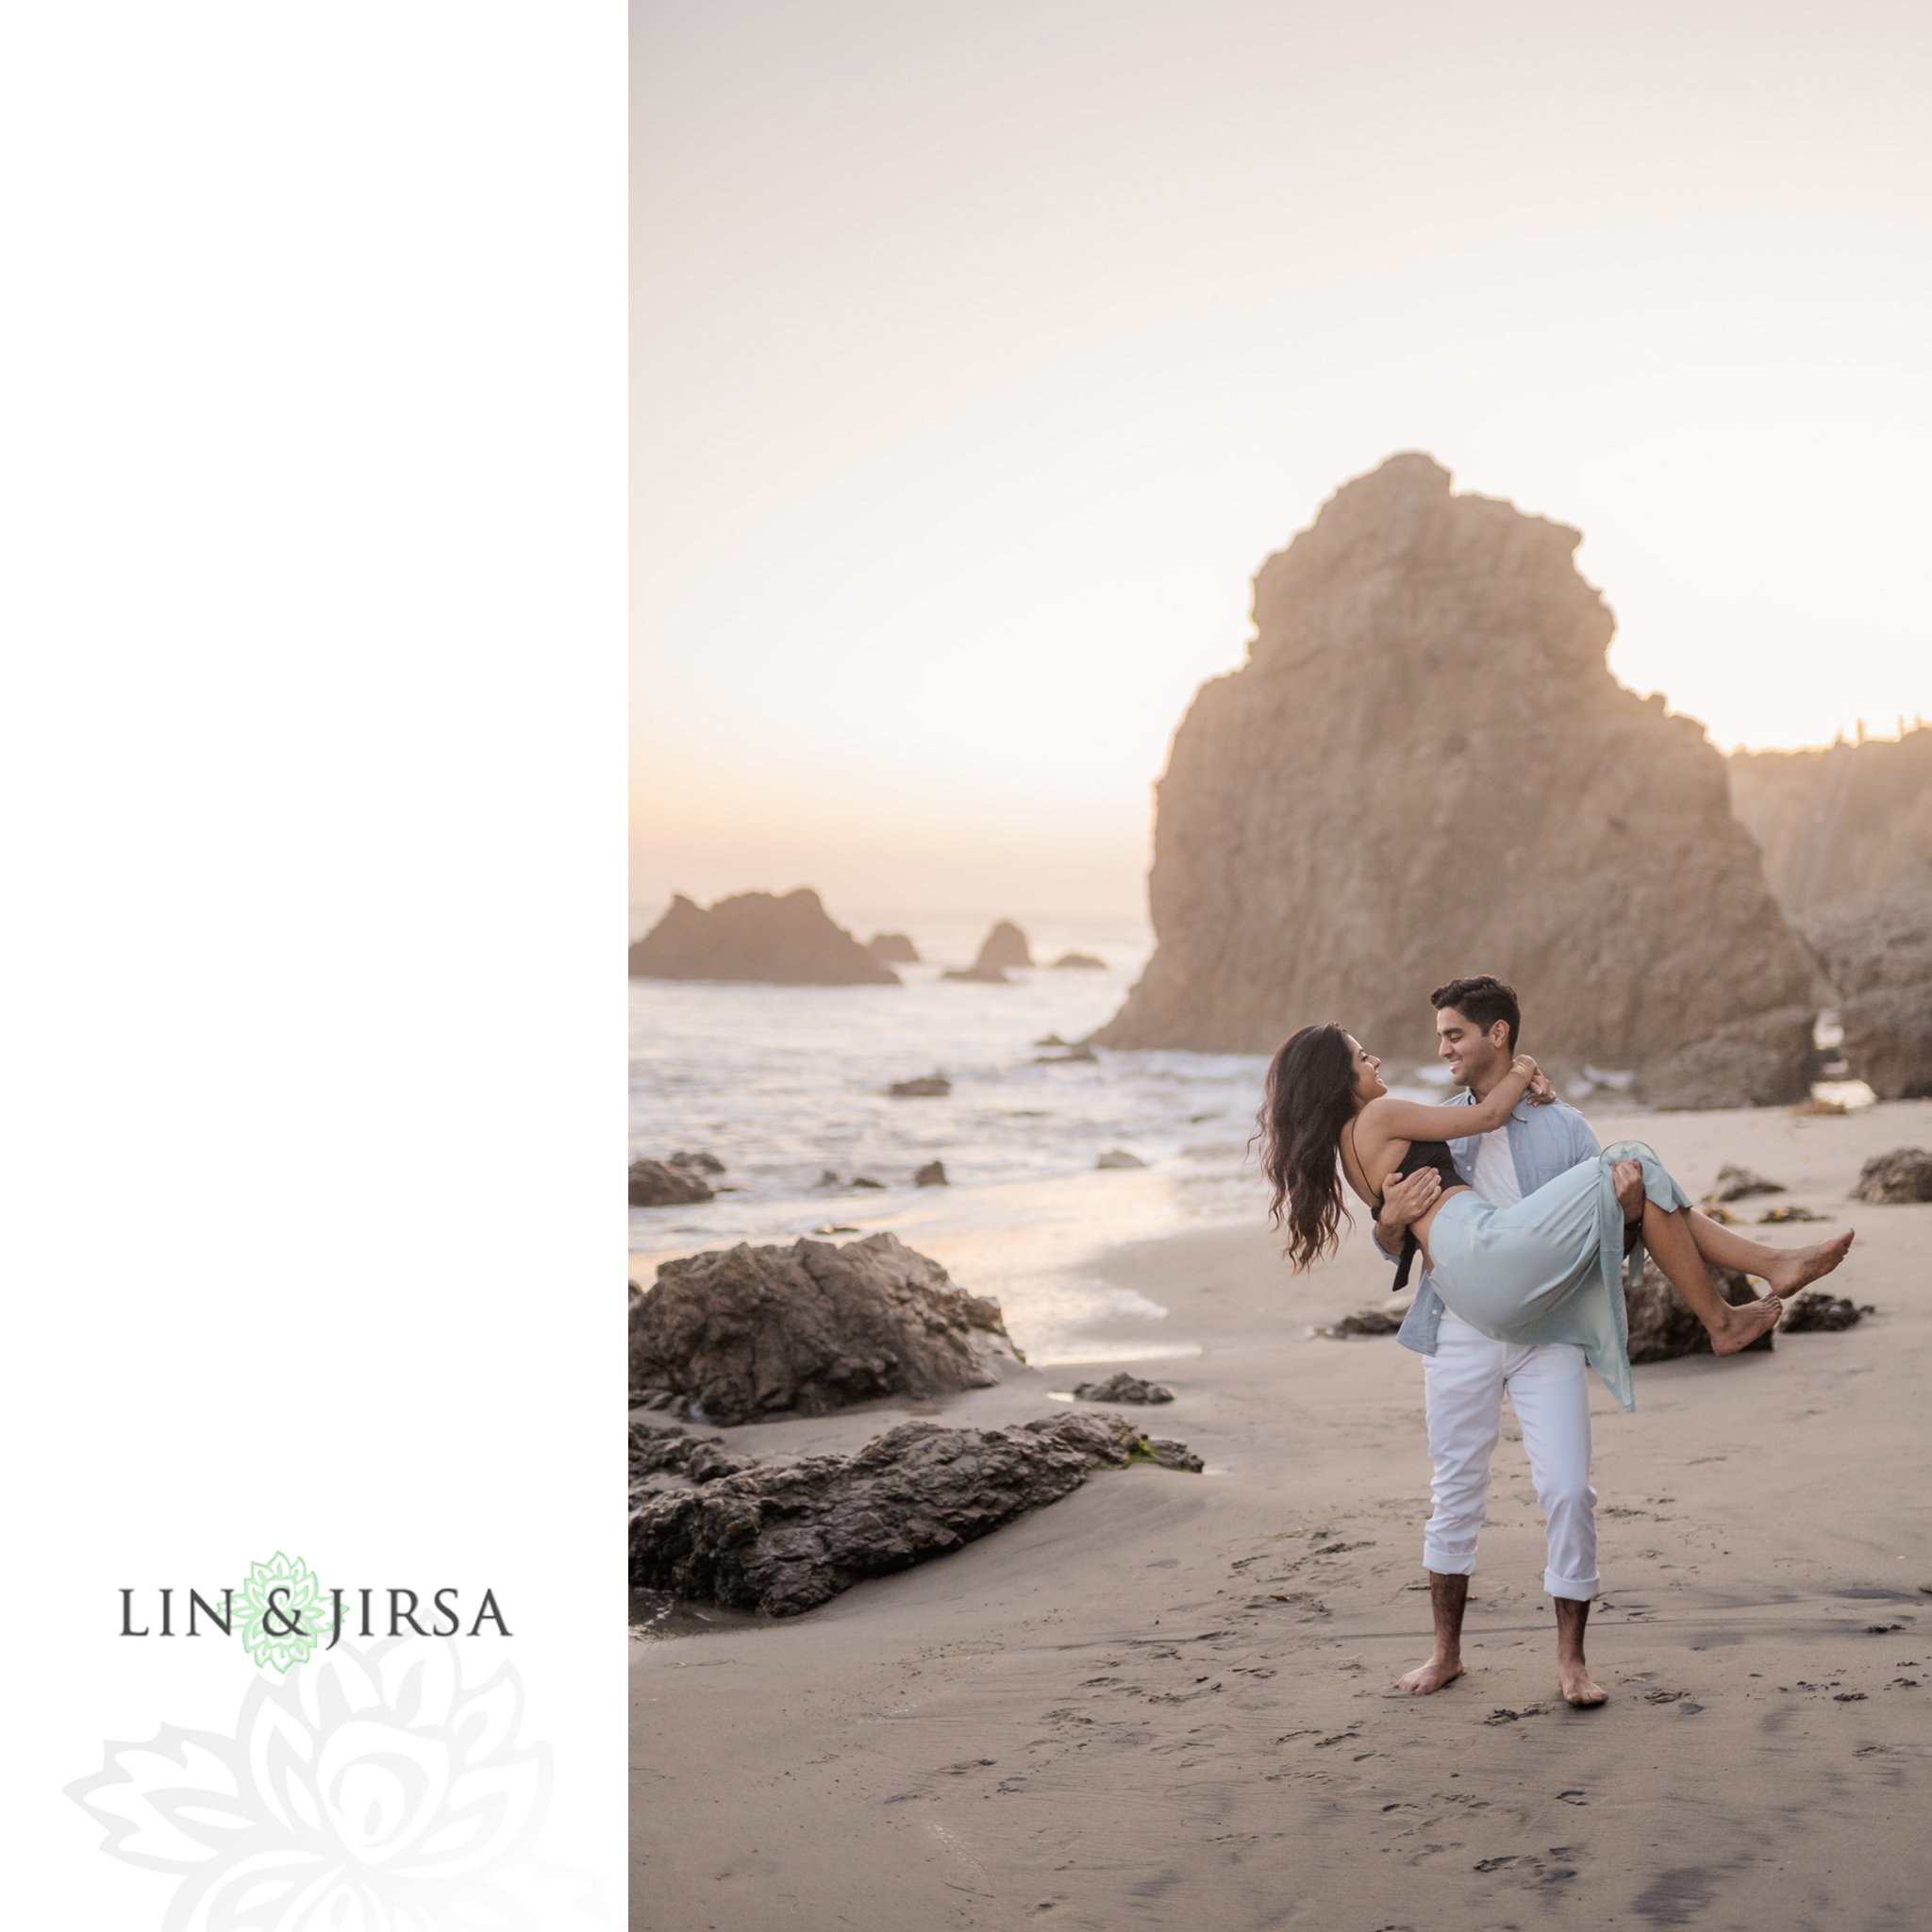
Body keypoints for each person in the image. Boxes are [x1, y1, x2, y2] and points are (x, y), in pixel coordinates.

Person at [1256, 980, 1856, 1706]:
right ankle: (1737, 1302)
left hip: (1530, 1307)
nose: (1419, 1050)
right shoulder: (1409, 1115)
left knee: (1569, 1488)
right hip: (1470, 1301)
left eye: (1454, 1035)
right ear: (1338, 1076)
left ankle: (1572, 1662)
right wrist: (1393, 1223)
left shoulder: (1546, 1123)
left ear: (1494, 1033)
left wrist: (1628, 1202)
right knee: (1456, 1494)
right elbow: (1448, 1170)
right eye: (1360, 1053)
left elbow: (1612, 1211)